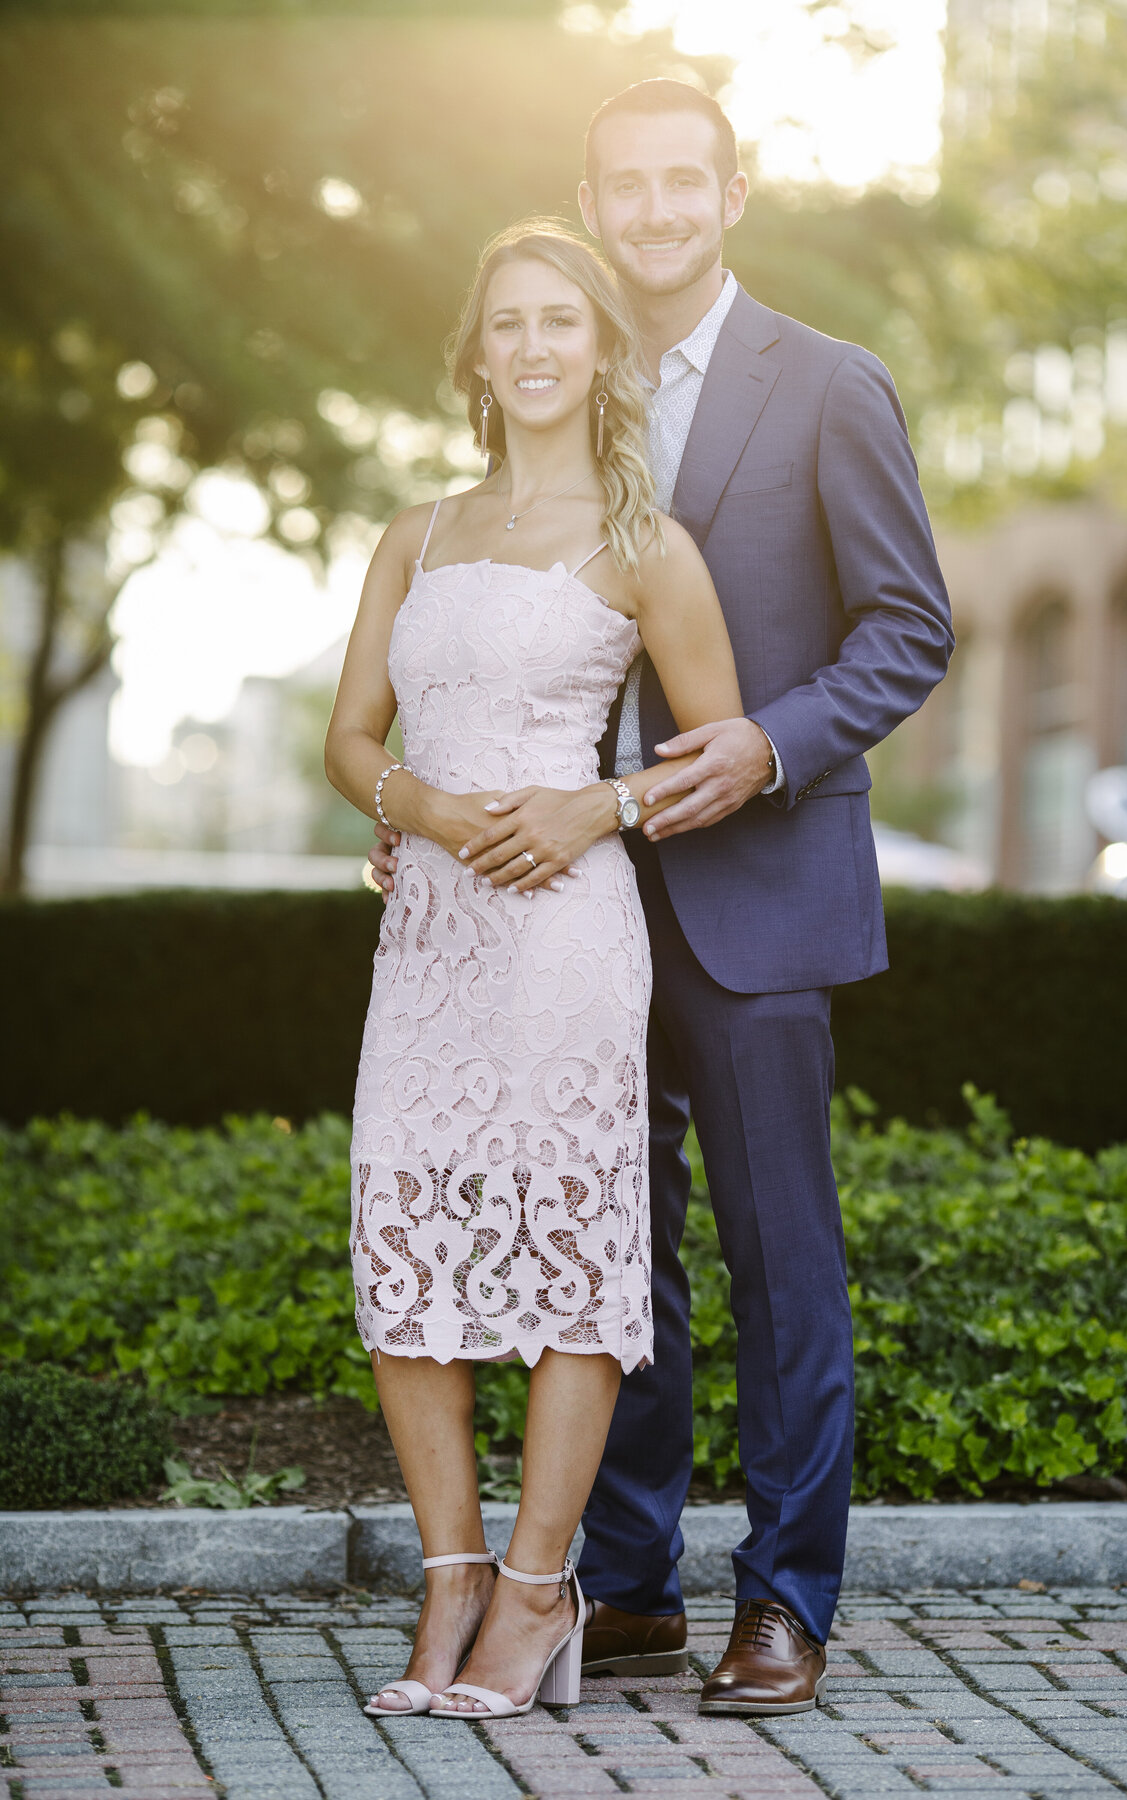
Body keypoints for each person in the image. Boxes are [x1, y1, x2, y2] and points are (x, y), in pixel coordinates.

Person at [371, 81, 954, 1717]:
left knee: (781, 1259)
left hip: (757, 886)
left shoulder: (832, 386)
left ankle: (785, 1598)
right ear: (592, 195)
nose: (652, 209)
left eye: (680, 183)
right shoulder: (572, 384)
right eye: (622, 185)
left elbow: (908, 630)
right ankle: (623, 1586)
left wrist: (768, 743)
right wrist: (430, 805)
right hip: (562, 915)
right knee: (613, 1259)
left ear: (733, 193)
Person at [325, 220, 742, 1719]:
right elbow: (350, 737)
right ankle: (448, 1577)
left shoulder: (650, 547)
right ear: (478, 358)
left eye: (562, 320)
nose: (537, 346)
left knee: (572, 1243)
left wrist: (598, 804)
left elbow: (718, 756)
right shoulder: (415, 535)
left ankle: (539, 1586)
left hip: (569, 933)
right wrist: (420, 811)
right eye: (508, 324)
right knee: (406, 1226)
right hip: (429, 931)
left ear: (600, 351)